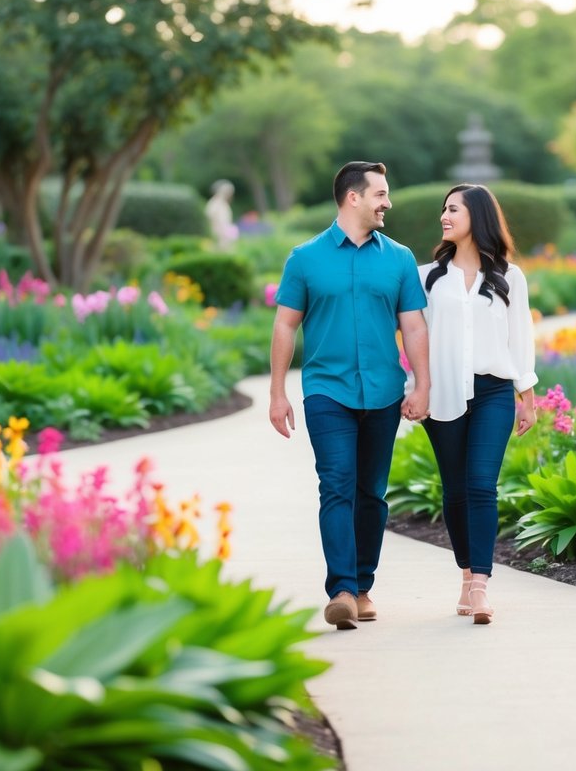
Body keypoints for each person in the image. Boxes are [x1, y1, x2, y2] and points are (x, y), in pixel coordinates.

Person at [269, 161, 431, 630]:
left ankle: (363, 585)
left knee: (371, 494)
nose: (388, 203)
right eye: (380, 194)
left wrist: (422, 385)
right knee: (337, 483)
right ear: (352, 198)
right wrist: (278, 393)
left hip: (382, 391)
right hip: (327, 391)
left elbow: (414, 325)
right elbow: (284, 324)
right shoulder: (305, 258)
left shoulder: (398, 259)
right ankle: (341, 589)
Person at [417, 183, 537, 625]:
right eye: (443, 210)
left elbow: (520, 337)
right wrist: (418, 388)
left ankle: (482, 585)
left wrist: (526, 396)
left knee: (482, 485)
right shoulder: (425, 276)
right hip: (443, 392)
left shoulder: (510, 277)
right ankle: (466, 574)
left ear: (478, 217)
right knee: (455, 490)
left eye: (453, 210)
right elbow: (416, 339)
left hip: (493, 392)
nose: (444, 217)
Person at [205, 179, 237, 251]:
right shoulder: (215, 204)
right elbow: (211, 218)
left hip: (224, 235)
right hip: (218, 235)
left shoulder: (222, 204)